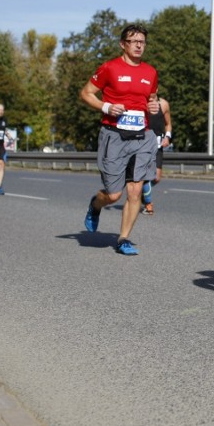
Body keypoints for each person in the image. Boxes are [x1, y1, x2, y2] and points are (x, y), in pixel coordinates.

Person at [79, 24, 160, 256]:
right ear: (123, 44)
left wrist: (153, 106)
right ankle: (96, 205)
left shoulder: (150, 72)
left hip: (143, 136)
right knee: (113, 194)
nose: (138, 45)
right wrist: (106, 106)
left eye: (142, 42)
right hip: (114, 135)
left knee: (135, 191)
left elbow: (151, 100)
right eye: (134, 41)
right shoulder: (109, 68)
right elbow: (85, 93)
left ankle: (123, 238)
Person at [141, 96, 172, 215]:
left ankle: (143, 192)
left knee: (156, 178)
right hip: (142, 144)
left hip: (158, 145)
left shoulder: (163, 104)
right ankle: (148, 203)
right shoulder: (140, 102)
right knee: (144, 176)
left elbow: (168, 124)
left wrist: (168, 137)